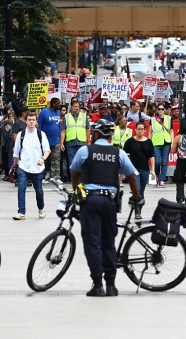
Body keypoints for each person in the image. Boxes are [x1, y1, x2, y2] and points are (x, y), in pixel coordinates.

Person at [69, 119, 142, 297]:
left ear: (98, 134)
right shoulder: (118, 153)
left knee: (92, 242)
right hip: (110, 202)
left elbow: (75, 174)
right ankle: (111, 285)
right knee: (108, 243)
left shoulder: (85, 150)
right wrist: (137, 197)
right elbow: (132, 177)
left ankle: (97, 284)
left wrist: (77, 191)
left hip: (90, 201)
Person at [12, 111, 51, 220]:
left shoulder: (41, 134)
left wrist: (43, 159)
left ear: (36, 121)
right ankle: (21, 212)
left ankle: (41, 208)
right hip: (23, 166)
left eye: (33, 120)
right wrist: (14, 166)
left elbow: (47, 150)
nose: (31, 122)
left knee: (38, 190)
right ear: (26, 121)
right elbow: (16, 152)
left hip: (37, 167)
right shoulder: (21, 134)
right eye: (29, 120)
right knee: (21, 188)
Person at [122, 122, 155, 217]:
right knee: (138, 189)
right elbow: (124, 155)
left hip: (144, 169)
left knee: (141, 191)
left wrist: (152, 170)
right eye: (138, 129)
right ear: (135, 130)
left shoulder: (148, 142)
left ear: (145, 130)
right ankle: (137, 211)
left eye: (142, 129)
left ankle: (139, 208)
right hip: (134, 169)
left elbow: (151, 156)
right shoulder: (130, 141)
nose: (140, 131)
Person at [60, 100, 90, 171]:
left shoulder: (84, 116)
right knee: (72, 162)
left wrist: (88, 142)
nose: (77, 108)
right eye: (75, 106)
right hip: (71, 142)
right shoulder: (66, 117)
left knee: (82, 160)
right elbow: (63, 131)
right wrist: (61, 143)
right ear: (71, 107)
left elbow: (87, 130)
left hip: (82, 142)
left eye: (78, 106)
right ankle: (74, 179)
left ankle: (81, 178)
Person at [38, 98, 62, 183]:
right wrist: (39, 139)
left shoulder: (58, 112)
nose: (59, 105)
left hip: (56, 140)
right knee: (44, 160)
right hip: (45, 141)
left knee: (56, 159)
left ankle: (56, 177)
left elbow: (59, 125)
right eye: (58, 103)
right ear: (53, 104)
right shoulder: (44, 112)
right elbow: (39, 126)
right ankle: (44, 176)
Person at [150, 104, 173, 188]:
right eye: (159, 109)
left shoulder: (169, 118)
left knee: (164, 162)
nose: (160, 110)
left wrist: (172, 142)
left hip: (166, 142)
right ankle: (156, 177)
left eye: (162, 109)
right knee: (156, 162)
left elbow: (171, 131)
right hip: (156, 142)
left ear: (164, 110)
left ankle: (162, 179)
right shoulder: (152, 119)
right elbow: (150, 132)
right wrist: (149, 143)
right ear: (157, 109)